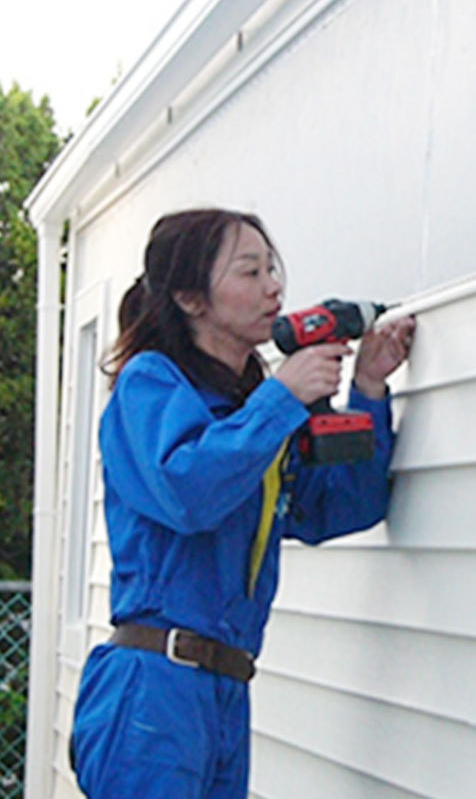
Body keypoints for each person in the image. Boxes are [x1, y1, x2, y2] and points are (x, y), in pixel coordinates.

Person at [70, 208, 415, 798]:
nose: (273, 287)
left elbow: (339, 508)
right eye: (249, 272)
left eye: (272, 269)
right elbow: (187, 493)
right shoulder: (149, 383)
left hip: (225, 688)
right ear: (189, 297)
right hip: (154, 689)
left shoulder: (249, 409)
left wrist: (369, 389)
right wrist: (281, 398)